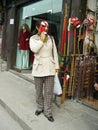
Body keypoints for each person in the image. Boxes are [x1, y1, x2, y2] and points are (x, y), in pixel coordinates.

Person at [29, 20, 59, 122]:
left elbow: (54, 52)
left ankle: (48, 112)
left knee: (49, 92)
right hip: (38, 67)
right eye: (42, 26)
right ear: (37, 27)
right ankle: (40, 107)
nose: (45, 28)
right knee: (38, 91)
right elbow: (34, 49)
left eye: (46, 26)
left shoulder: (51, 38)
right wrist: (42, 39)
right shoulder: (33, 38)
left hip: (50, 67)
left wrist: (57, 66)